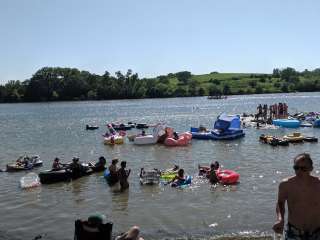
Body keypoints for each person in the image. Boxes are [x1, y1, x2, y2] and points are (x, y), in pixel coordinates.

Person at [273, 153, 320, 240]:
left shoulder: (318, 184)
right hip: (294, 231)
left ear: (311, 169)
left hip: (317, 231)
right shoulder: (286, 184)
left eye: (303, 168)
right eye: (296, 168)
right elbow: (280, 203)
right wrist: (280, 219)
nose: (299, 171)